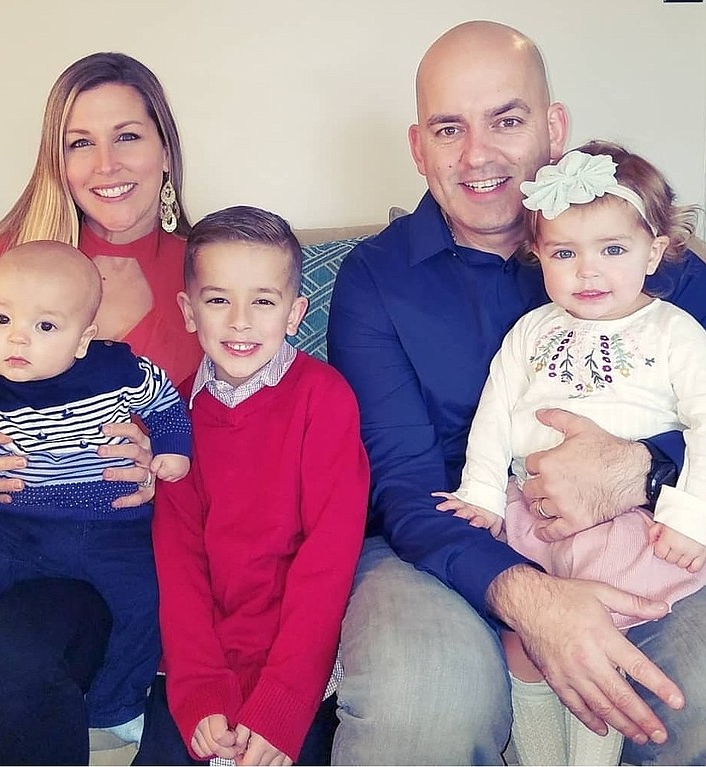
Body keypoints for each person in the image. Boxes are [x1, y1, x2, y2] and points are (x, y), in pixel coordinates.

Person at [326, 20, 706, 766]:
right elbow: (402, 486)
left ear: (554, 127)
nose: (478, 155)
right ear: (417, 146)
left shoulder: (653, 253)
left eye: (507, 119)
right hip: (438, 541)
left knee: (686, 689)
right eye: (448, 128)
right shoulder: (374, 281)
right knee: (419, 705)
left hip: (654, 534)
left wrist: (642, 467)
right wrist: (531, 597)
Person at [0, 52, 202, 765]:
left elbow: (239, 429)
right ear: (58, 161)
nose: (106, 162)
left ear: (165, 147)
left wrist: (165, 468)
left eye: (128, 135)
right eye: (79, 142)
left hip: (113, 545)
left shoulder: (207, 271)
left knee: (17, 657)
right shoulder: (10, 266)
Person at [433, 142, 706, 765]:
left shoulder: (673, 331)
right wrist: (479, 492)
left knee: (594, 644)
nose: (588, 272)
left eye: (612, 250)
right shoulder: (532, 331)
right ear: (539, 255)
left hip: (629, 529)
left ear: (655, 251)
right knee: (523, 642)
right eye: (564, 253)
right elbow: (495, 415)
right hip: (533, 518)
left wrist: (692, 514)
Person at [0, 241, 191, 743]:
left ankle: (116, 705)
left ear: (83, 340)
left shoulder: (118, 373)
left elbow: (166, 402)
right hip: (16, 526)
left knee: (148, 598)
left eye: (44, 327)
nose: (17, 339)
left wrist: (170, 448)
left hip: (112, 528)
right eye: (0, 320)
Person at [132, 205, 369, 766]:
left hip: (298, 672)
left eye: (263, 300)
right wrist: (200, 691)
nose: (241, 321)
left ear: (294, 313)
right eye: (219, 300)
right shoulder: (172, 417)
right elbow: (179, 561)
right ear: (189, 312)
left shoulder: (325, 400)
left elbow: (327, 559)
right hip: (199, 669)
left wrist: (283, 702)